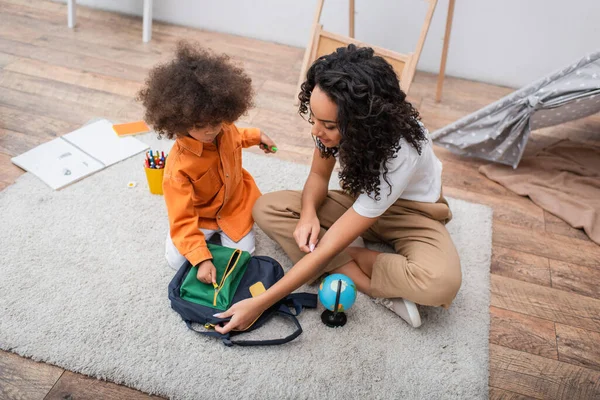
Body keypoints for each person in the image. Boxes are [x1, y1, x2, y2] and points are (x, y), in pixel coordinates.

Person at [214, 44, 461, 331]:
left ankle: (354, 262)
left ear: (364, 124)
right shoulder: (327, 130)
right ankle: (373, 282)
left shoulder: (402, 149)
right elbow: (318, 177)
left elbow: (328, 245)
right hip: (360, 202)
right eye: (314, 118)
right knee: (266, 208)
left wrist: (261, 302)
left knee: (440, 284)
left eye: (328, 125)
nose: (315, 131)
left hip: (412, 213)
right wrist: (308, 213)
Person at [137, 41, 277, 285]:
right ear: (179, 121)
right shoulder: (177, 168)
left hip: (236, 205)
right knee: (177, 261)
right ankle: (194, 244)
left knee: (244, 258)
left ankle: (217, 240)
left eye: (217, 121)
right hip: (200, 217)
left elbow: (238, 135)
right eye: (200, 125)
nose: (210, 130)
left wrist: (257, 136)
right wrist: (201, 258)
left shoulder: (224, 128)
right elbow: (181, 218)